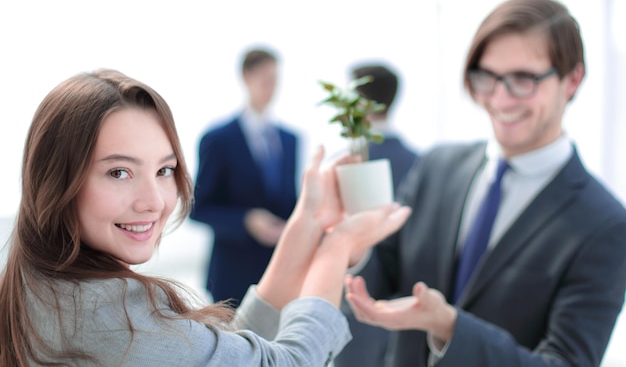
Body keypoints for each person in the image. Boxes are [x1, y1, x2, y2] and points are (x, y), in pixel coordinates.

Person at [0, 69, 412, 366]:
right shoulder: (112, 318)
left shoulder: (41, 278)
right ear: (55, 180)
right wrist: (336, 247)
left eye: (164, 170)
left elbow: (222, 354)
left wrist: (307, 223)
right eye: (119, 172)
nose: (155, 201)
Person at [344, 0, 626, 367]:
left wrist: (450, 327)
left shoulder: (604, 223)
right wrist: (355, 245)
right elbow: (382, 273)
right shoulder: (437, 166)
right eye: (486, 78)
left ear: (572, 79)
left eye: (523, 79)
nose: (500, 99)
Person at [190, 46, 299, 306]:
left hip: (280, 272)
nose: (271, 87)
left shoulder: (290, 140)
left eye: (275, 79)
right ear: (246, 77)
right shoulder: (218, 139)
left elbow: (290, 200)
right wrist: (247, 220)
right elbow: (199, 208)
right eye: (265, 79)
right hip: (232, 277)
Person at [335, 63, 419, 367]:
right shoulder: (421, 164)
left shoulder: (344, 166)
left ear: (359, 103)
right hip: (407, 309)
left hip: (354, 305)